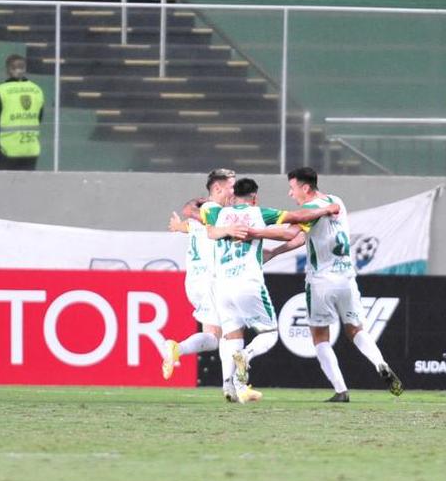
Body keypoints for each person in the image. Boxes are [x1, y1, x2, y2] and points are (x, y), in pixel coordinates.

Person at [262, 167, 404, 402]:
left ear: (305, 188)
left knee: (319, 337)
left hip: (321, 281)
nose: (290, 193)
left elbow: (290, 234)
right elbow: (302, 236)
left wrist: (254, 233)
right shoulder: (336, 201)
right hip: (346, 277)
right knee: (356, 329)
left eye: (292, 188)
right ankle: (380, 362)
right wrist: (275, 253)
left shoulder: (308, 209)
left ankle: (341, 390)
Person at [202, 178, 340, 404]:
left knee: (232, 335)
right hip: (248, 282)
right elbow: (294, 224)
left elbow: (208, 229)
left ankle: (231, 387)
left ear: (233, 195)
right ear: (254, 198)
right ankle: (246, 356)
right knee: (269, 334)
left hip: (222, 286)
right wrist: (326, 209)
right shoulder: (258, 213)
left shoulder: (218, 214)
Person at [161, 168, 237, 399]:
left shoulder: (204, 213)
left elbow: (184, 225)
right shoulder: (214, 212)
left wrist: (177, 226)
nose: (234, 192)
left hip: (195, 281)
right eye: (231, 186)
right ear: (217, 188)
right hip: (209, 280)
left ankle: (229, 386)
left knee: (215, 336)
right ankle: (230, 385)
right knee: (228, 335)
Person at [0, 53, 45, 170]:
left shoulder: (1, 91)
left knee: (3, 186)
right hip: (30, 149)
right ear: (25, 69)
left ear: (7, 70)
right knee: (26, 185)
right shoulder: (37, 90)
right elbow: (39, 118)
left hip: (6, 149)